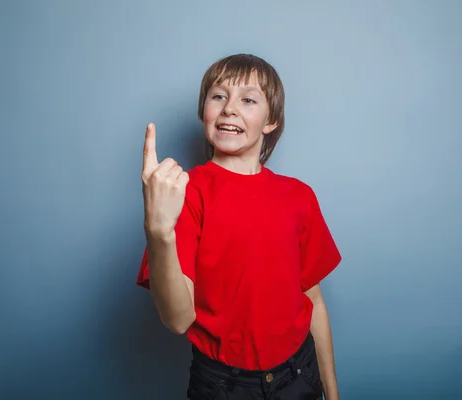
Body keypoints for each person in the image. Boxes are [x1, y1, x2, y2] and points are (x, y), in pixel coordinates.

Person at [136, 53, 342, 400]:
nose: (229, 108)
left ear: (271, 120)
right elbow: (177, 320)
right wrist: (159, 231)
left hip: (298, 374)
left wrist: (332, 393)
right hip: (223, 385)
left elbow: (314, 301)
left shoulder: (299, 196)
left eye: (248, 99)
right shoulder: (187, 194)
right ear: (205, 111)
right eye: (219, 96)